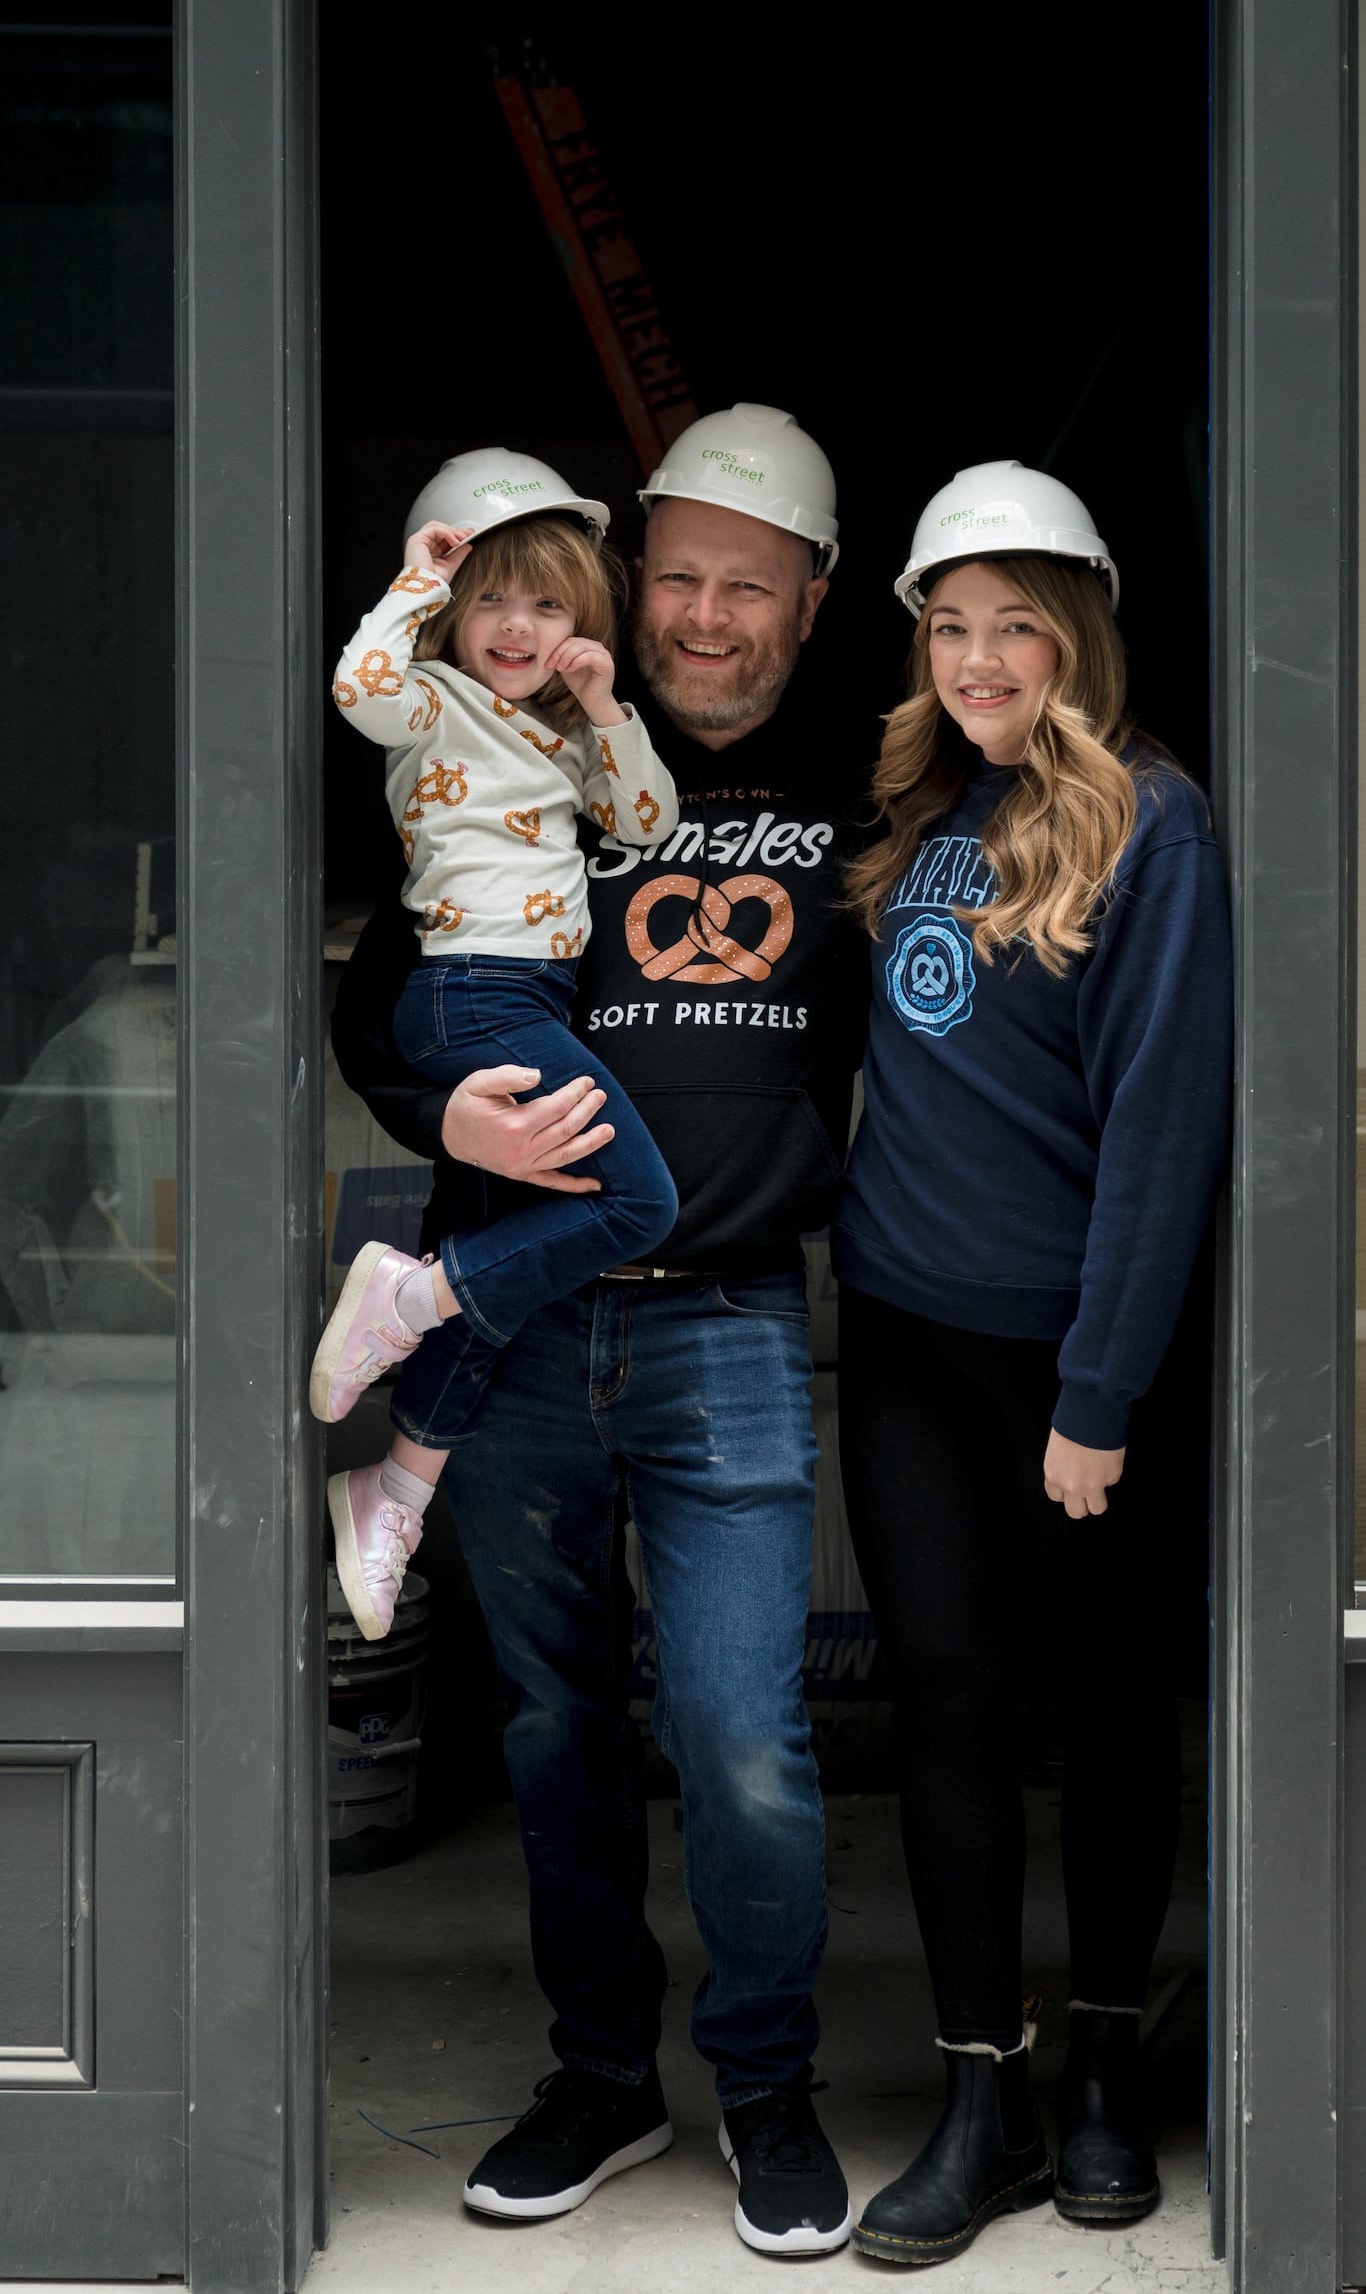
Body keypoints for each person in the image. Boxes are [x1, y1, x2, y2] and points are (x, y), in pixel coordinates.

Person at [331, 407, 870, 2256]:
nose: (708, 617)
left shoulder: (866, 788)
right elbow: (382, 998)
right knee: (555, 1728)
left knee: (736, 1732)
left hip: (723, 1322)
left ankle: (770, 2088)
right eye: (682, 578)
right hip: (526, 1328)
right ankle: (602, 2081)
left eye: (750, 587)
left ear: (807, 603)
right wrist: (439, 1121)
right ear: (629, 579)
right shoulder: (503, 730)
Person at [833, 462, 1232, 2264]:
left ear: (1081, 635)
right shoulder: (929, 807)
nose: (980, 655)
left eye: (1016, 623)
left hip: (1070, 1371)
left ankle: (1097, 2079)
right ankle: (978, 2089)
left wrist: (1096, 1396)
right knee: (952, 1712)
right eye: (950, 621)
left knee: (1109, 1715)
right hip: (907, 1348)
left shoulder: (1157, 826)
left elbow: (1162, 1136)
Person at [310, 453, 680, 1642]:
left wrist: (608, 703)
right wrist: (416, 586)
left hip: (526, 1003)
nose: (518, 626)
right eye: (492, 600)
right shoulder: (434, 700)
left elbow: (643, 821)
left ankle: (392, 1489)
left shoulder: (561, 736)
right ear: (456, 614)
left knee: (496, 1269)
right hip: (472, 996)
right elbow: (359, 686)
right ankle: (406, 1295)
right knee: (640, 1204)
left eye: (549, 605)